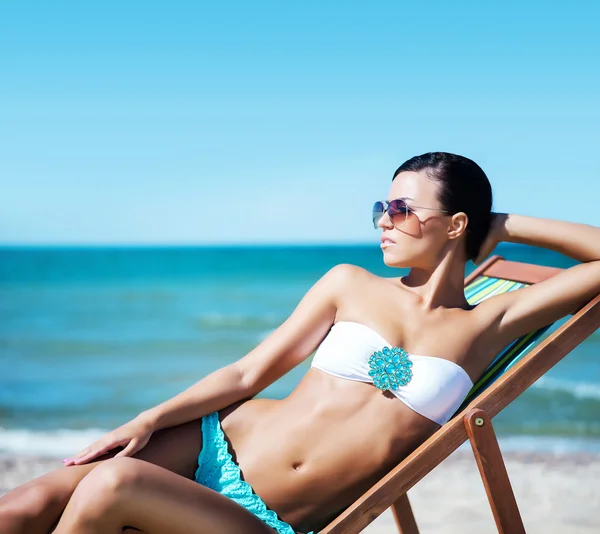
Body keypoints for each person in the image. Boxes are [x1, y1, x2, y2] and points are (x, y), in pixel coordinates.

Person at [1, 152, 599, 534]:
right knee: (23, 507)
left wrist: (505, 223)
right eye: (379, 208)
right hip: (218, 443)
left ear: (456, 223)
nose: (383, 220)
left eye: (402, 208)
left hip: (270, 521)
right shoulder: (349, 282)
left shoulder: (489, 325)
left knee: (113, 486)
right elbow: (246, 375)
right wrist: (146, 420)